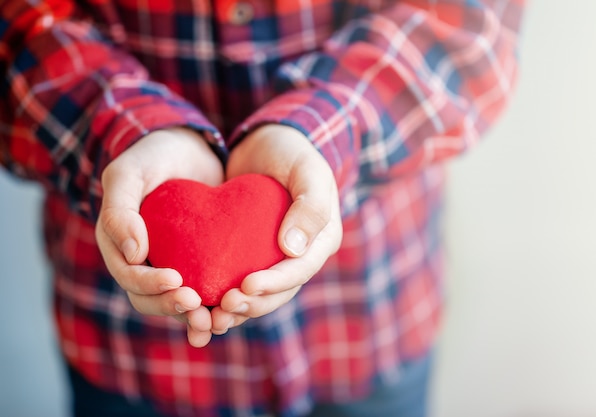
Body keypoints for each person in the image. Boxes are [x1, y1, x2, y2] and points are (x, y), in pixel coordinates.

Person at [0, 1, 525, 416]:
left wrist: (321, 130)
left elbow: (467, 23)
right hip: (129, 351)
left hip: (368, 317)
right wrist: (125, 128)